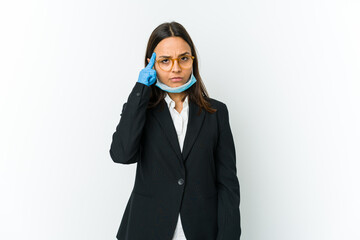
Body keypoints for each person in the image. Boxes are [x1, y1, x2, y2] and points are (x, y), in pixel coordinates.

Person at [109, 21, 241, 240]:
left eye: (183, 58)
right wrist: (141, 89)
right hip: (147, 230)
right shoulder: (141, 109)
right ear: (151, 64)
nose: (176, 68)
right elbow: (121, 154)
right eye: (165, 61)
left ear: (193, 61)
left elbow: (228, 184)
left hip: (201, 230)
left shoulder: (216, 113)